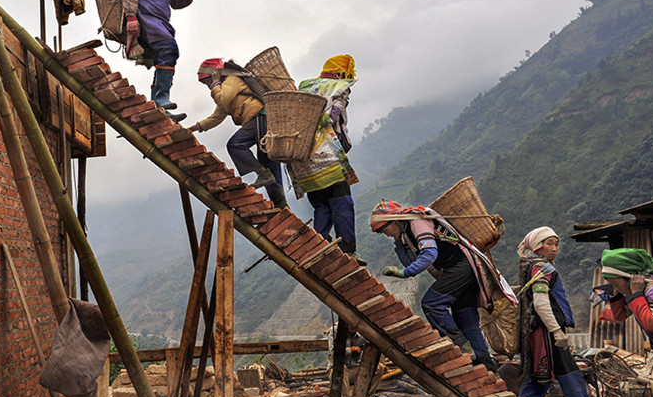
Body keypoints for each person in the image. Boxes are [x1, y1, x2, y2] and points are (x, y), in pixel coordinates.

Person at [369, 199, 499, 373]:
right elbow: (411, 260)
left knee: (432, 304)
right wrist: (399, 243)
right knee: (464, 316)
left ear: (395, 219)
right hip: (460, 269)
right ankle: (488, 367)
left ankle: (461, 349)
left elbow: (429, 254)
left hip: (461, 265)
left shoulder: (417, 222)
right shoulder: (406, 233)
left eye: (385, 229)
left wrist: (405, 273)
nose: (385, 233)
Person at [516, 227, 597, 397]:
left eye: (556, 244)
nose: (555, 248)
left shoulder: (534, 266)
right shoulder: (541, 267)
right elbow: (541, 303)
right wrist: (556, 332)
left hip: (541, 331)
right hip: (547, 332)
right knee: (569, 375)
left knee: (541, 376)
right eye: (549, 244)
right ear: (537, 246)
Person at [288, 55, 363, 264]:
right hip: (326, 157)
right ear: (343, 72)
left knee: (321, 205)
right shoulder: (340, 87)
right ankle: (348, 250)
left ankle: (318, 244)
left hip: (301, 160)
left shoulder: (305, 86)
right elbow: (332, 117)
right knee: (342, 204)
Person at [121, 0, 196, 122]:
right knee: (169, 49)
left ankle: (158, 105)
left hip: (162, 19)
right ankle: (161, 98)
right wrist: (130, 16)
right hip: (146, 15)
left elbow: (173, 2)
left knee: (165, 56)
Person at [188, 59, 287, 208]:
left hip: (260, 117)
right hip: (259, 120)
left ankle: (261, 173)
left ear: (215, 74)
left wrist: (215, 83)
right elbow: (216, 117)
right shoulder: (226, 89)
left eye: (207, 81)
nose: (208, 86)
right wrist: (192, 129)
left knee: (235, 144)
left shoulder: (232, 80)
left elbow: (221, 99)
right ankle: (282, 205)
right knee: (268, 162)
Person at [597, 247, 653, 394]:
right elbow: (619, 316)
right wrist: (616, 296)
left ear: (631, 277)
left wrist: (636, 294)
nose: (615, 289)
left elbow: (651, 323)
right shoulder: (638, 291)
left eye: (616, 284)